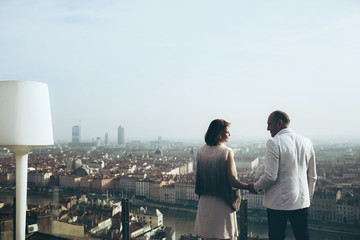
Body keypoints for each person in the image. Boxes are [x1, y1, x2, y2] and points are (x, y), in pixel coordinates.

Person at [250, 110, 317, 240]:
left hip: (278, 203)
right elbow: (312, 176)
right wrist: (307, 197)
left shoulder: (274, 142)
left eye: (269, 124)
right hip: (301, 201)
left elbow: (270, 176)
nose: (267, 128)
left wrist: (255, 187)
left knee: (277, 236)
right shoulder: (307, 142)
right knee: (303, 236)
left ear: (279, 123)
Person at [194, 119, 255, 240]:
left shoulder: (200, 152)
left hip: (205, 203)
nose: (230, 134)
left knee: (209, 236)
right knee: (224, 236)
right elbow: (232, 180)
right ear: (218, 134)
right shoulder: (226, 152)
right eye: (227, 131)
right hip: (221, 203)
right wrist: (248, 187)